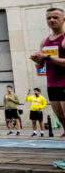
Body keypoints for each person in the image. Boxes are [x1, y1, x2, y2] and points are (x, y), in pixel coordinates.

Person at [32, 8, 65, 141]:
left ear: (63, 20)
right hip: (52, 84)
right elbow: (40, 66)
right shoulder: (45, 41)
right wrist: (37, 61)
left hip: (64, 82)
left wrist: (47, 57)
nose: (52, 20)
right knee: (61, 118)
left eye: (55, 17)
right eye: (49, 18)